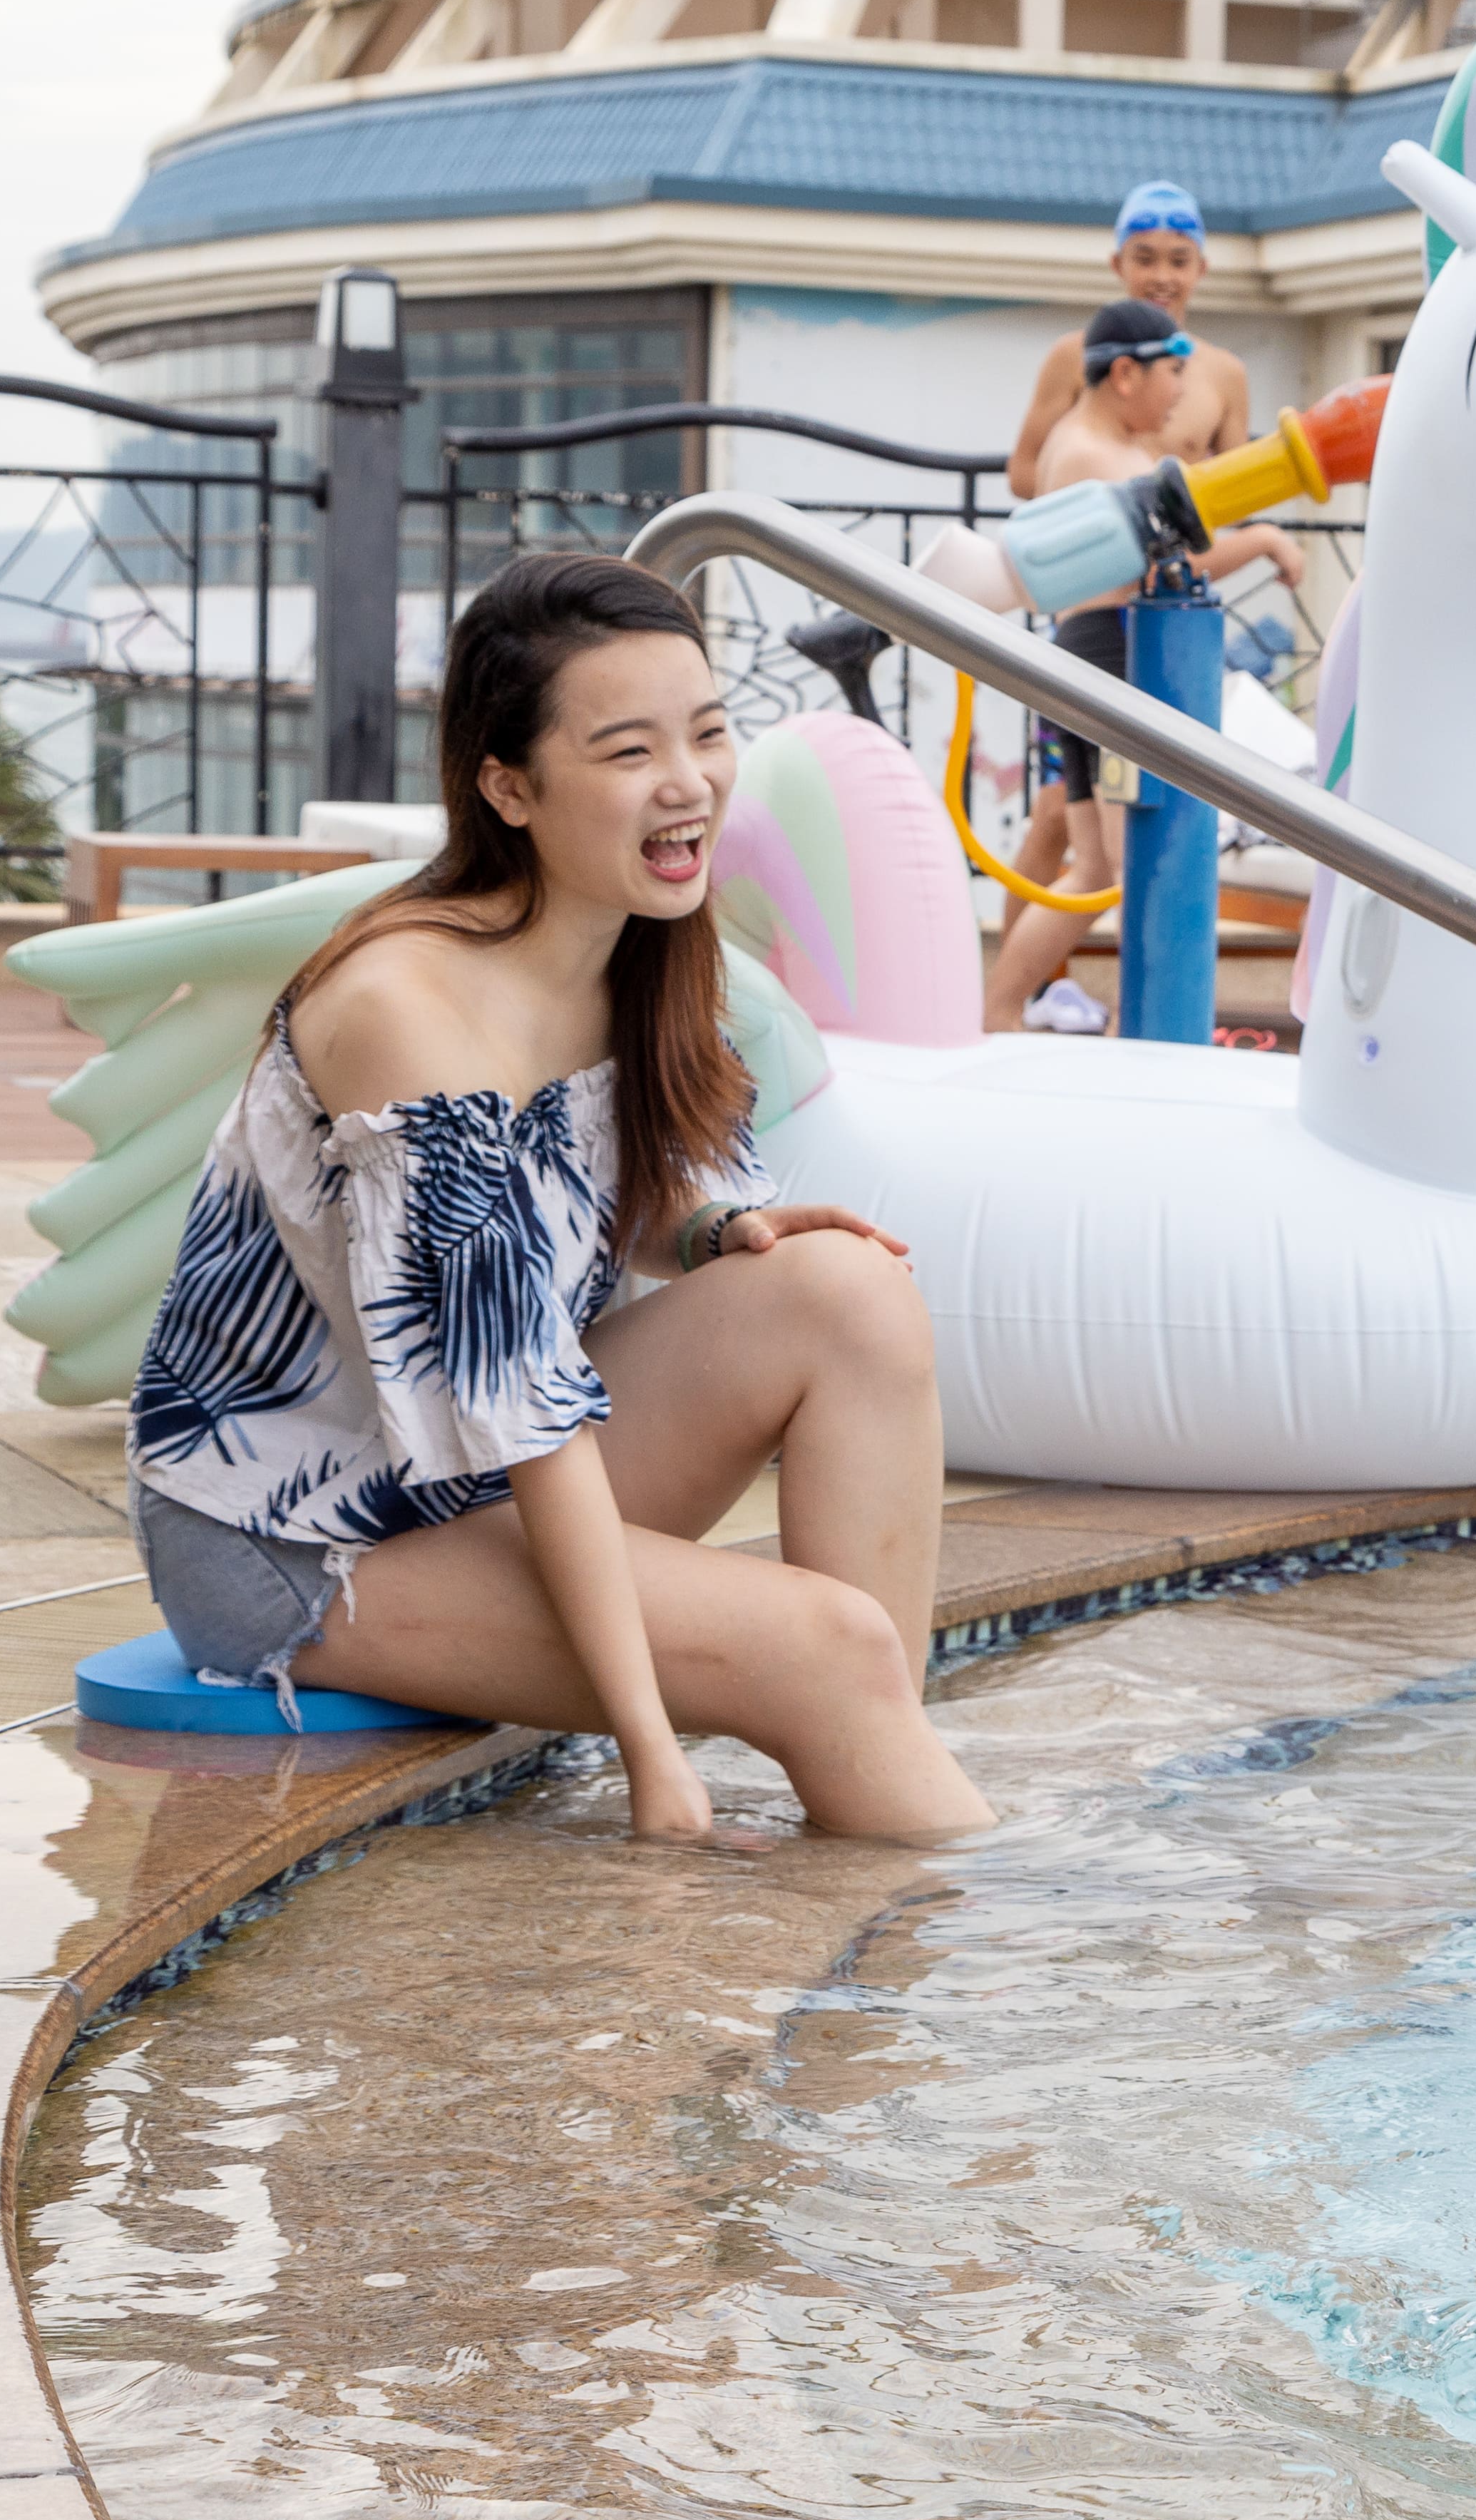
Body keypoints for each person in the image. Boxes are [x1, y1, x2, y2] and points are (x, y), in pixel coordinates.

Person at [123, 554, 990, 1844]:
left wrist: (706, 1230)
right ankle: (930, 1959)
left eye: (706, 731)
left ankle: (874, 1760)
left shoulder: (633, 943)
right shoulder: (404, 1015)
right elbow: (522, 1410)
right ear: (509, 786)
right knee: (825, 1648)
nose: (688, 782)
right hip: (294, 1533)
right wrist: (653, 1755)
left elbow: (592, 1197)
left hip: (463, 1476)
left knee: (853, 1291)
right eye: (629, 750)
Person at [982, 298, 1308, 1031]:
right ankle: (1139, 1029)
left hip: (1087, 658)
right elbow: (1181, 554)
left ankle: (998, 1012)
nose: (1182, 396)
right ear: (1125, 374)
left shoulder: (1078, 443)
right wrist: (1263, 540)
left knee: (1096, 870)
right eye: (1175, 374)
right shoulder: (1107, 459)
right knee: (1141, 866)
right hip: (1113, 659)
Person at [1005, 181, 1254, 491]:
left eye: (1179, 262)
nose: (1162, 278)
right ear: (1117, 264)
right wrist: (1104, 508)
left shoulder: (1225, 373)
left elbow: (1239, 494)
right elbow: (1023, 472)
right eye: (1145, 260)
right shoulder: (1075, 357)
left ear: (1201, 269)